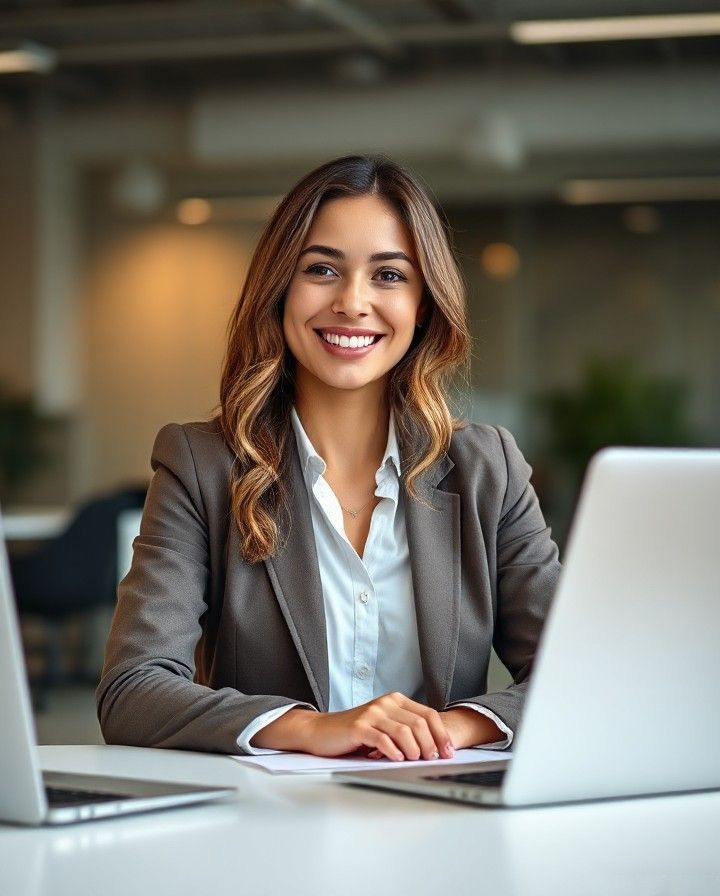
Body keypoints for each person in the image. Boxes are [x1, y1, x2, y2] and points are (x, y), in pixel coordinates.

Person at [97, 155, 561, 761]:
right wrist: (313, 728)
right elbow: (133, 690)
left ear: (423, 304)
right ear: (280, 289)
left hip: (438, 804)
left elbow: (578, 672)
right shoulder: (202, 465)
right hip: (266, 813)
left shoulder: (487, 468)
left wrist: (448, 730)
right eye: (322, 269)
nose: (352, 302)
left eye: (389, 275)